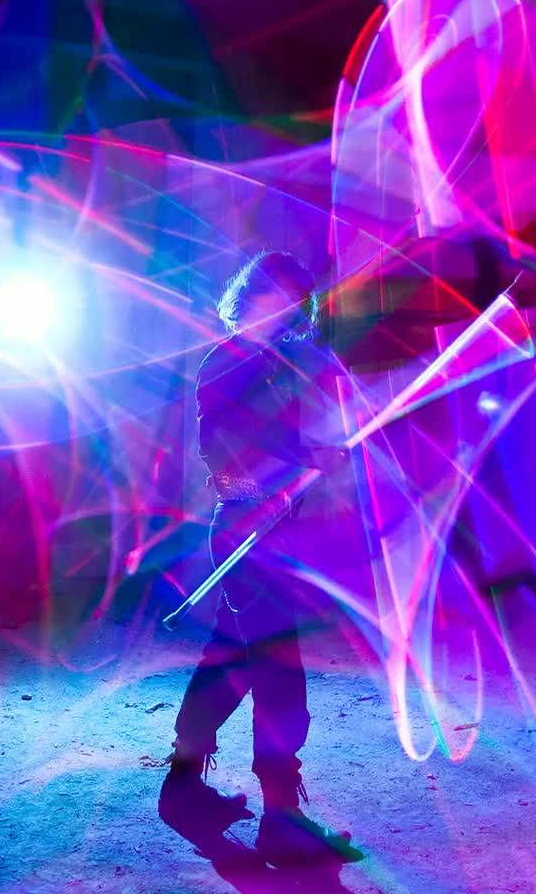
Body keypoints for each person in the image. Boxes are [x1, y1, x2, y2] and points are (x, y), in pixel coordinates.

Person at [158, 250, 364, 867]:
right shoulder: (225, 362)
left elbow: (291, 442)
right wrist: (276, 484)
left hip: (281, 534)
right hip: (247, 534)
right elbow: (221, 459)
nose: (294, 309)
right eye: (283, 296)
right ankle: (282, 816)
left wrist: (316, 459)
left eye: (300, 299)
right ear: (254, 297)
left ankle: (183, 779)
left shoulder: (282, 366)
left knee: (232, 655)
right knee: (277, 666)